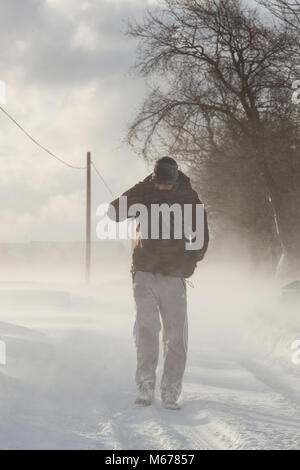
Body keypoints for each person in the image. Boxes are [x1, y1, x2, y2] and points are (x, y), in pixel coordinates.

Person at [108, 157, 209, 410]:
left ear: (175, 181)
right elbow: (113, 212)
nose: (163, 188)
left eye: (167, 185)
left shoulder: (188, 197)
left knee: (175, 336)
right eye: (159, 184)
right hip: (143, 271)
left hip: (174, 275)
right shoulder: (145, 193)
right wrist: (141, 187)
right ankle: (145, 387)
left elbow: (202, 235)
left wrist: (191, 262)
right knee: (146, 330)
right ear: (154, 180)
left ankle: (171, 391)